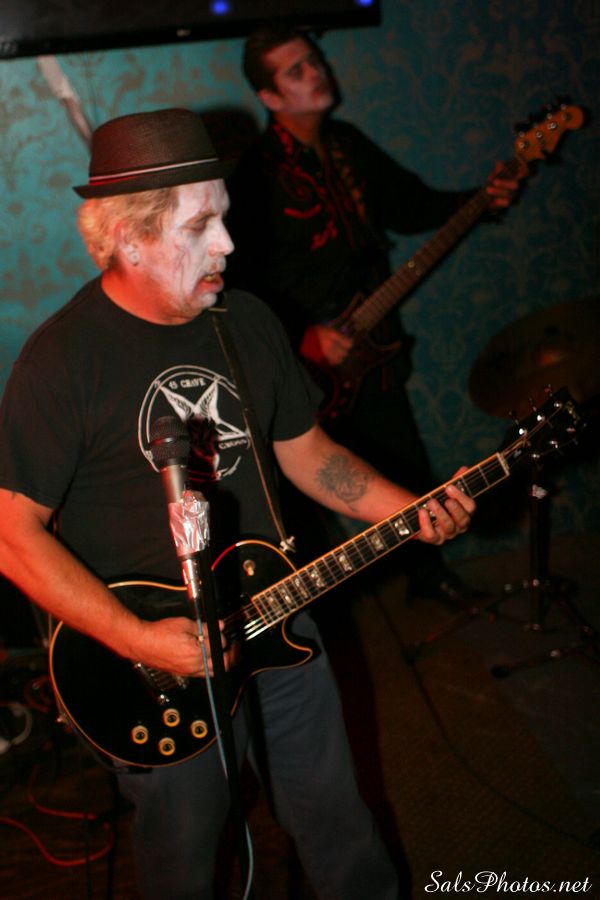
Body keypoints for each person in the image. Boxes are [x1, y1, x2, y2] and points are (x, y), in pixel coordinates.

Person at [0, 108, 476, 899]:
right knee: (186, 865)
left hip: (277, 610)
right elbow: (13, 536)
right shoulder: (61, 363)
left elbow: (309, 454)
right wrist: (138, 639)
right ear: (130, 239)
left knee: (342, 830)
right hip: (155, 661)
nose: (226, 242)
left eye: (224, 215)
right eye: (200, 226)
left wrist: (413, 508)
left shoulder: (246, 321)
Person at [227, 23, 522, 605]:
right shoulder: (256, 176)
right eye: (296, 71)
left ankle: (427, 577)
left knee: (403, 465)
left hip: (374, 348)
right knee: (307, 488)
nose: (317, 72)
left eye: (314, 60)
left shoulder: (346, 144)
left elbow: (410, 205)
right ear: (269, 96)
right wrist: (302, 337)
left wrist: (482, 199)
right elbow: (239, 283)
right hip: (301, 366)